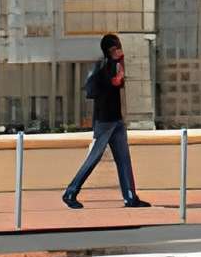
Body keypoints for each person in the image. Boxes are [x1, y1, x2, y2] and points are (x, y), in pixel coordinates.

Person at [61, 31, 148, 209]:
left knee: (124, 159)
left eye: (119, 47)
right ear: (109, 50)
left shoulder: (116, 65)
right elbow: (109, 84)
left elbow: (119, 84)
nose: (119, 51)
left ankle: (130, 197)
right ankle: (70, 192)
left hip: (116, 120)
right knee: (94, 158)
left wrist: (120, 67)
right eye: (115, 48)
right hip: (105, 121)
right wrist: (117, 72)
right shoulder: (103, 67)